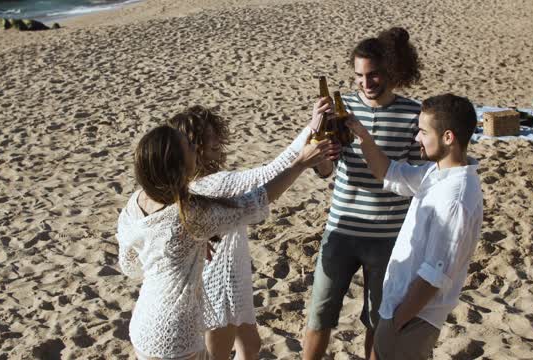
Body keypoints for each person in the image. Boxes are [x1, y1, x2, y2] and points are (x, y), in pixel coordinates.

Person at [116, 125, 337, 360]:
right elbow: (256, 201)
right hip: (175, 336)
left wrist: (183, 250)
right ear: (177, 165)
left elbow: (130, 266)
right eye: (189, 147)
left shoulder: (135, 202)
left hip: (142, 326)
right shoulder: (189, 214)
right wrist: (300, 164)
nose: (195, 149)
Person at [303, 27, 424, 359]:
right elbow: (325, 171)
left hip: (389, 237)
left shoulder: (413, 114)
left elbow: (415, 179)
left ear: (389, 71)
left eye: (372, 75)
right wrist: (318, 140)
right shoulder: (343, 110)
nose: (365, 83)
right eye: (358, 76)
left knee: (377, 320)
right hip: (341, 229)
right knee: (319, 316)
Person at [168, 106, 317, 360]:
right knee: (219, 354)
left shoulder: (191, 182)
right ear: (193, 146)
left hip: (234, 279)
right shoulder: (215, 183)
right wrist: (310, 130)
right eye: (207, 136)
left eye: (215, 133)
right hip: (218, 285)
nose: (215, 140)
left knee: (250, 347)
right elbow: (269, 173)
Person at [346, 93, 483, 360]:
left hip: (414, 319)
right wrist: (361, 134)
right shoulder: (438, 173)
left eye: (422, 132)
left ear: (447, 137)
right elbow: (389, 172)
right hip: (402, 310)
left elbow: (434, 275)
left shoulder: (454, 198)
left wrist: (397, 322)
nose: (416, 138)